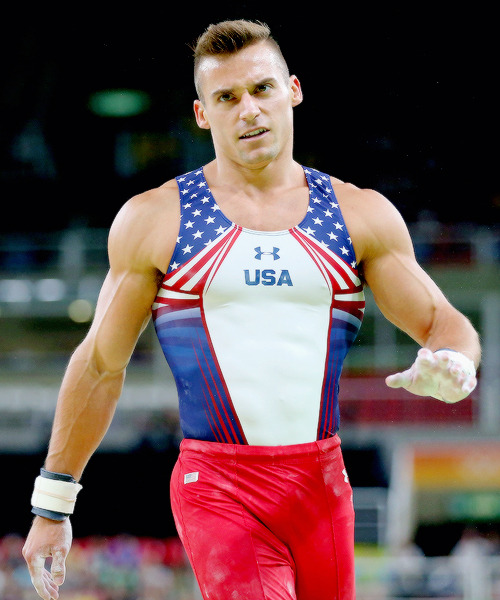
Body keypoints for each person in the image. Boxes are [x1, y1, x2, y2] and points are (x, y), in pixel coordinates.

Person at [22, 19, 480, 600]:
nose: (249, 111)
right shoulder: (157, 220)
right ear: (201, 114)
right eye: (227, 97)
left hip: (322, 487)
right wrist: (53, 504)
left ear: (293, 89)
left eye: (262, 89)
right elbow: (99, 366)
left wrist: (456, 365)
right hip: (217, 484)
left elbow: (442, 322)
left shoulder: (360, 216)